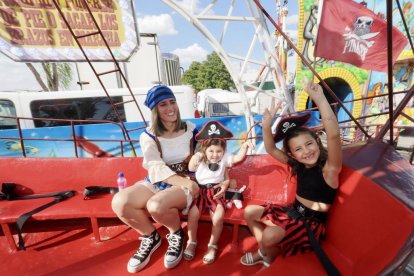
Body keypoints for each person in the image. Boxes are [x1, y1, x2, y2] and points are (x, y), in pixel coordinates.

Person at [240, 79, 342, 269]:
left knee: (270, 235)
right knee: (249, 212)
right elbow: (270, 148)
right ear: (292, 154)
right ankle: (266, 251)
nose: (306, 151)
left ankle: (267, 254)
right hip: (292, 211)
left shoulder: (330, 170)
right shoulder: (299, 165)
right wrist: (266, 125)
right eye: (298, 149)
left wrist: (320, 99)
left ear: (317, 143)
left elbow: (334, 135)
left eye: (309, 144)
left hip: (310, 224)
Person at [111, 85, 200, 273]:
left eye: (172, 102)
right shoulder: (149, 135)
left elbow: (210, 154)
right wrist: (185, 183)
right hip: (162, 181)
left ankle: (176, 234)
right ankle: (150, 236)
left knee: (156, 205)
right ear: (155, 110)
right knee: (120, 202)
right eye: (163, 104)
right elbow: (155, 167)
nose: (170, 108)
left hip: (187, 180)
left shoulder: (192, 130)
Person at [183, 120, 253, 264]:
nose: (215, 155)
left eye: (218, 151)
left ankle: (212, 245)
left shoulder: (225, 158)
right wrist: (195, 157)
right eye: (211, 151)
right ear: (204, 150)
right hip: (201, 192)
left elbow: (238, 158)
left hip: (216, 192)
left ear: (224, 151)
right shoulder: (201, 157)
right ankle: (192, 241)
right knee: (193, 215)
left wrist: (244, 147)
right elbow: (191, 167)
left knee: (218, 216)